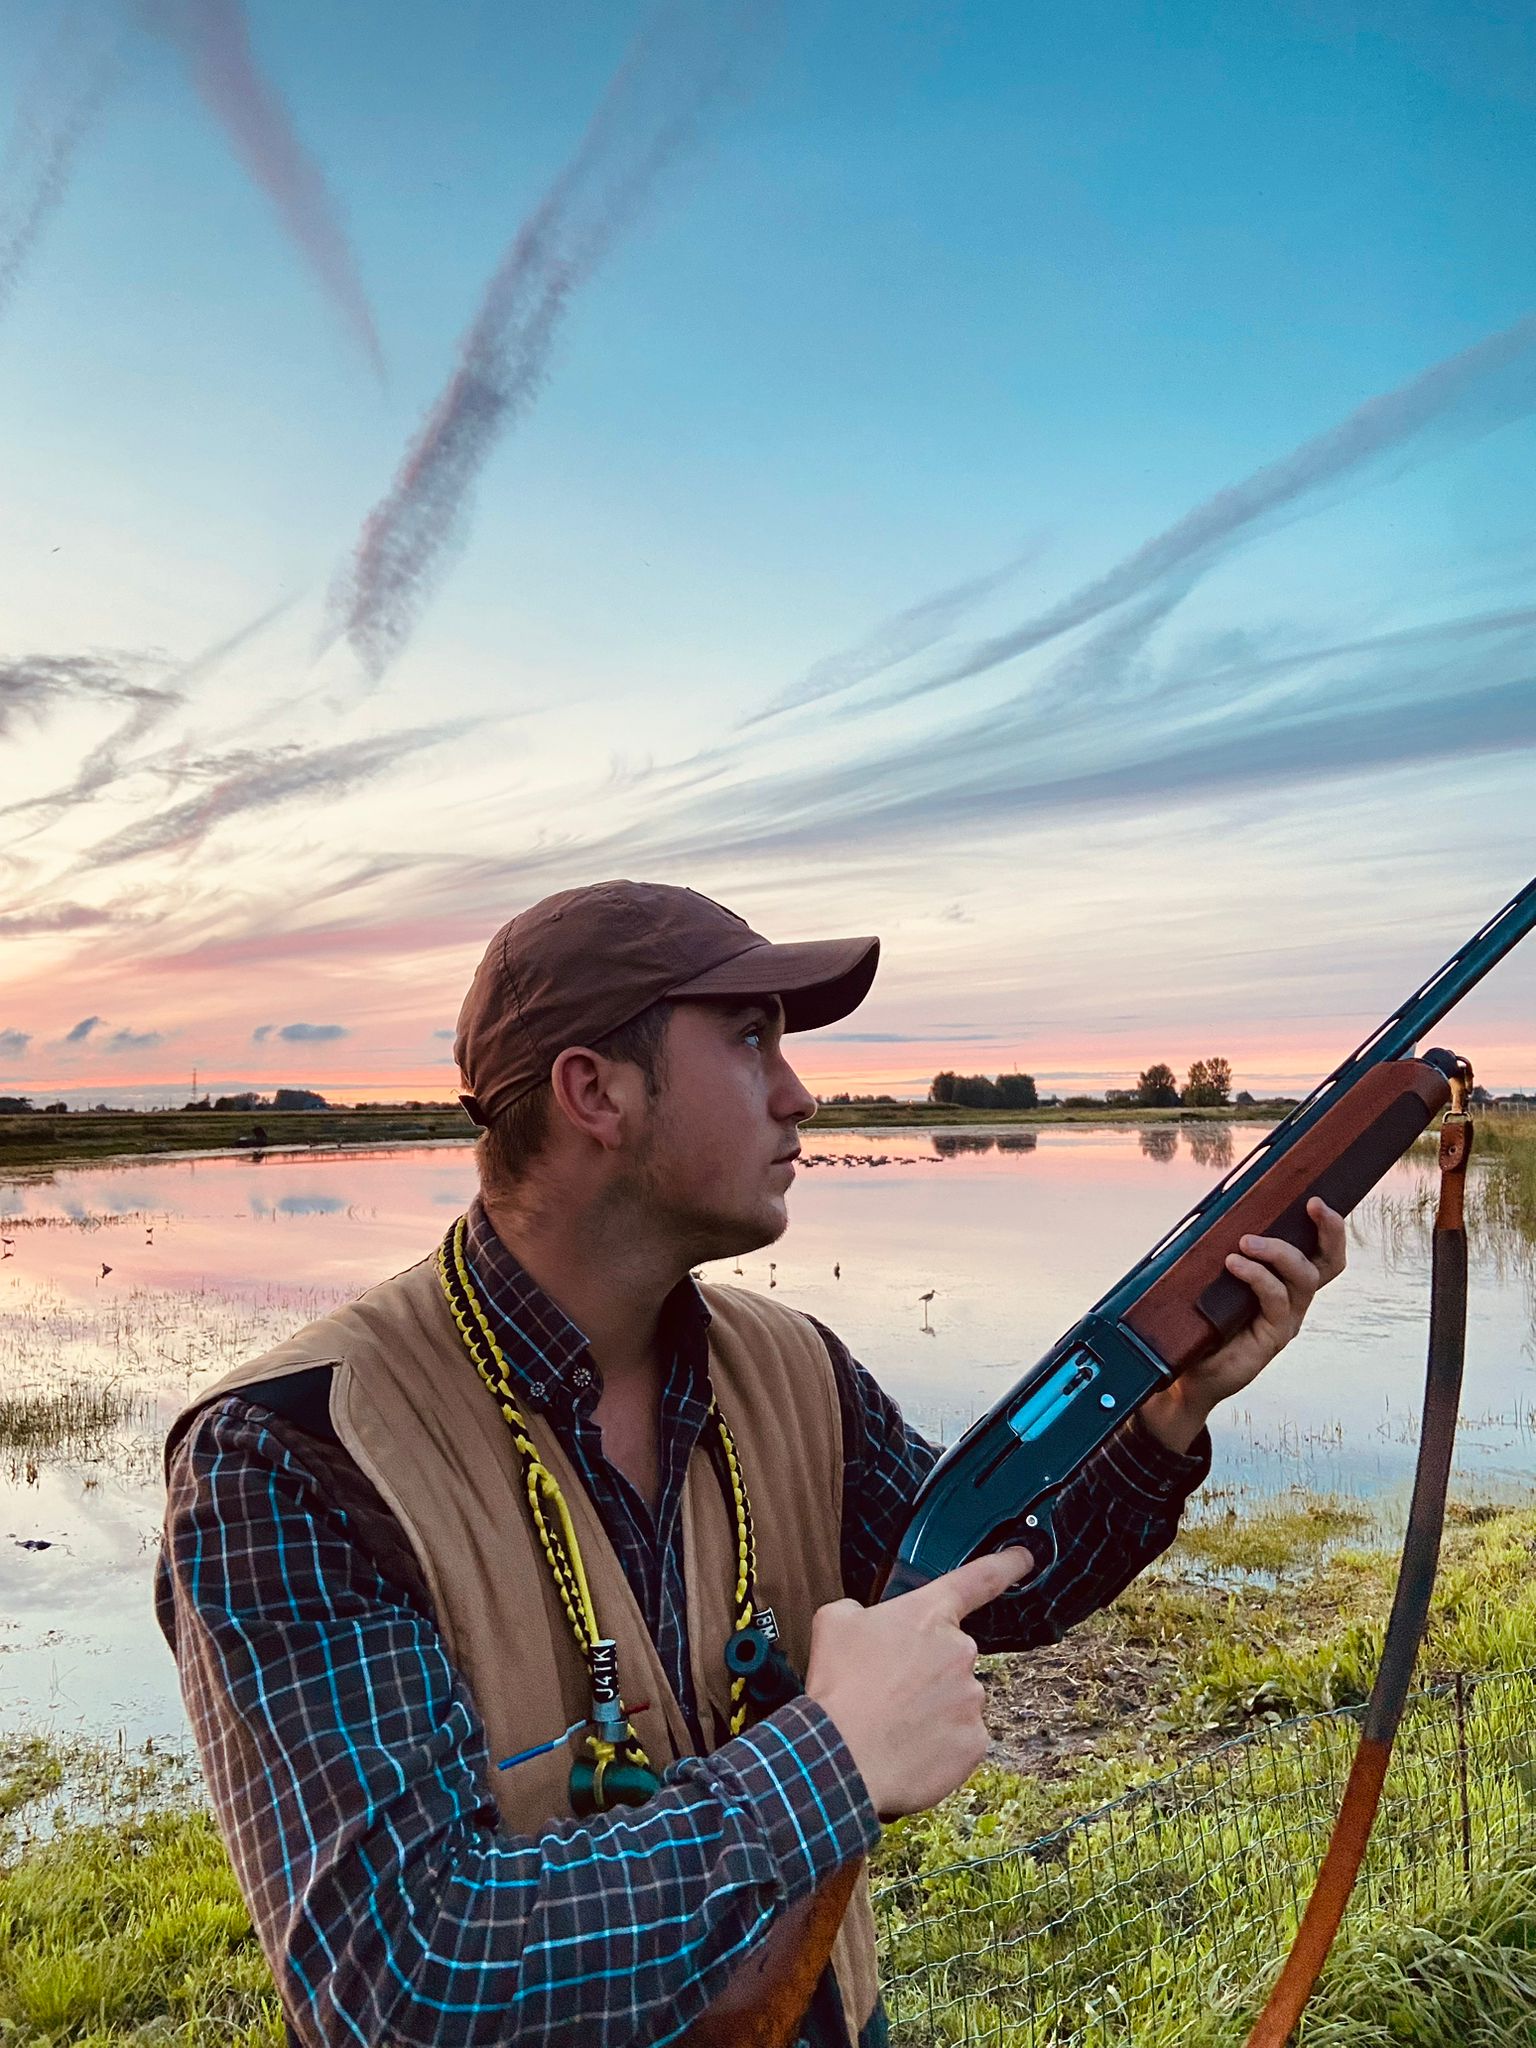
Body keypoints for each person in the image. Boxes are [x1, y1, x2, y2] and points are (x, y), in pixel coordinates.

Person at [155, 880, 1345, 2048]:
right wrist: (833, 1758)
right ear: (595, 1091)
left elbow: (990, 1582)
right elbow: (402, 1976)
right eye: (748, 1038)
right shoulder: (292, 1449)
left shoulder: (791, 1363)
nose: (798, 1092)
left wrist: (1168, 1408)